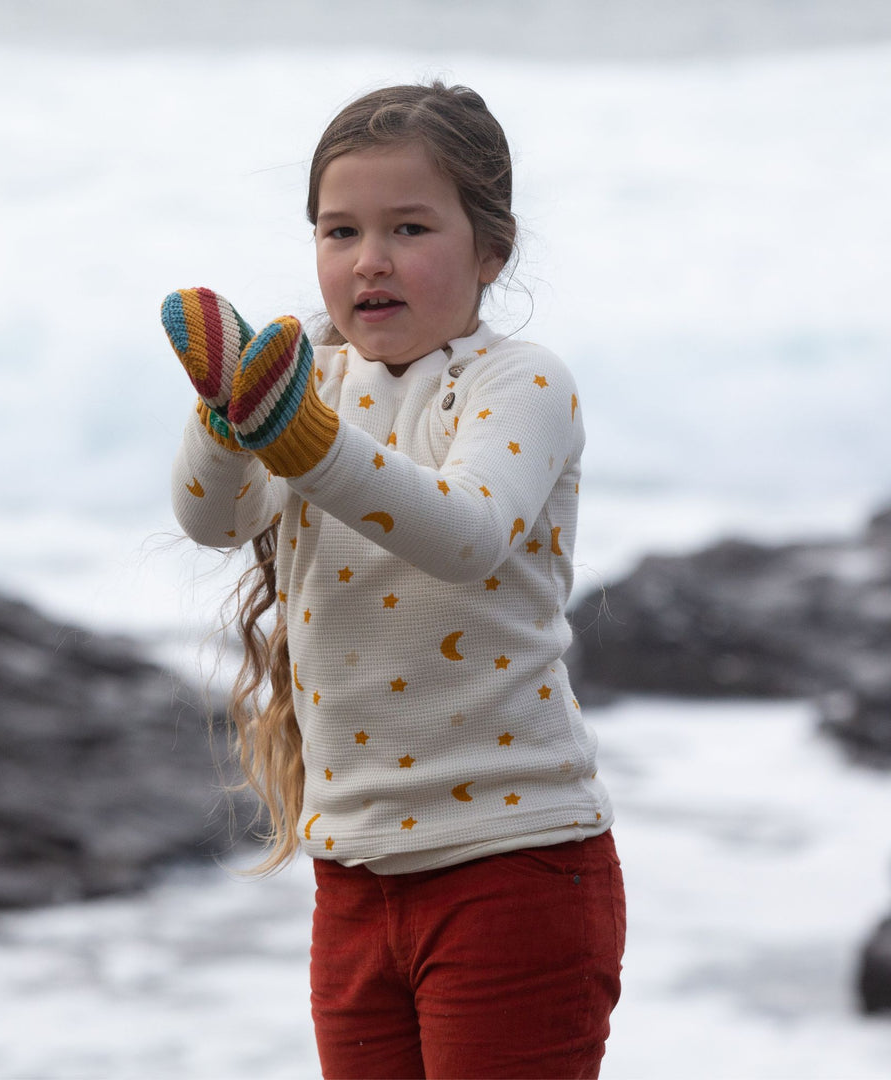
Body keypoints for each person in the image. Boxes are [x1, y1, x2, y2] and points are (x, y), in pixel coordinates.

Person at [164, 81, 625, 1080]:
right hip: (357, 875)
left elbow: (463, 533)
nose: (369, 259)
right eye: (341, 231)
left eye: (409, 227)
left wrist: (301, 436)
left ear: (490, 249)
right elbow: (210, 520)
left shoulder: (517, 382)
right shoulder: (312, 383)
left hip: (515, 864)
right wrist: (226, 411)